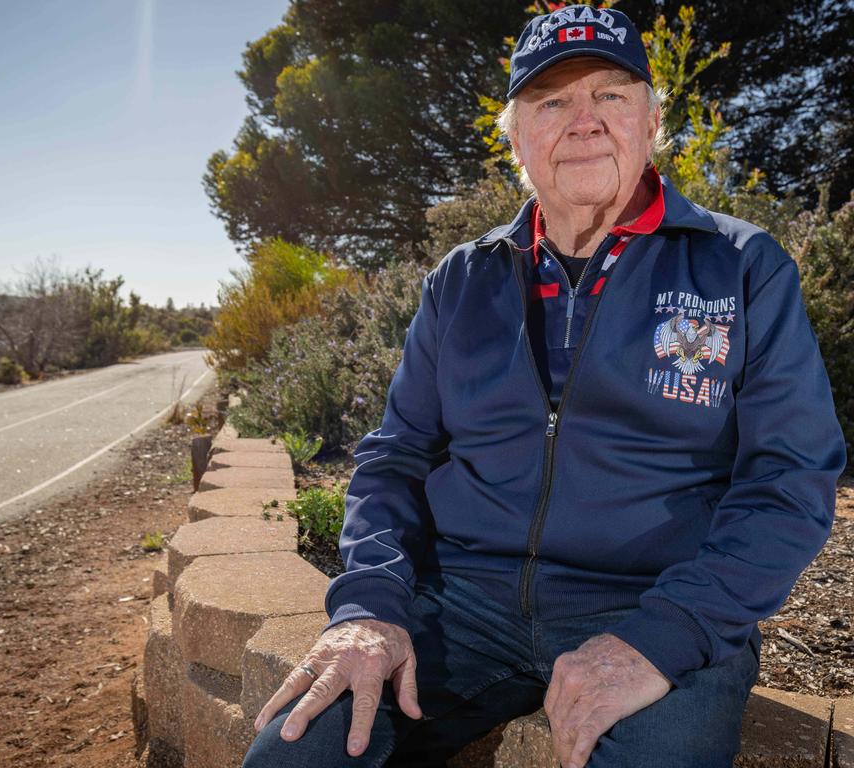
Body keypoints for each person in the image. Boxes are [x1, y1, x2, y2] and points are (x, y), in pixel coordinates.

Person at [242, 6, 847, 768]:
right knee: (298, 754)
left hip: (658, 601)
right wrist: (369, 607)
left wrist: (664, 638)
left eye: (611, 96)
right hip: (461, 601)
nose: (584, 121)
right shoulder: (461, 279)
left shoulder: (742, 266)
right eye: (553, 101)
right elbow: (396, 457)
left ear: (653, 120)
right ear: (516, 138)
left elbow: (790, 478)